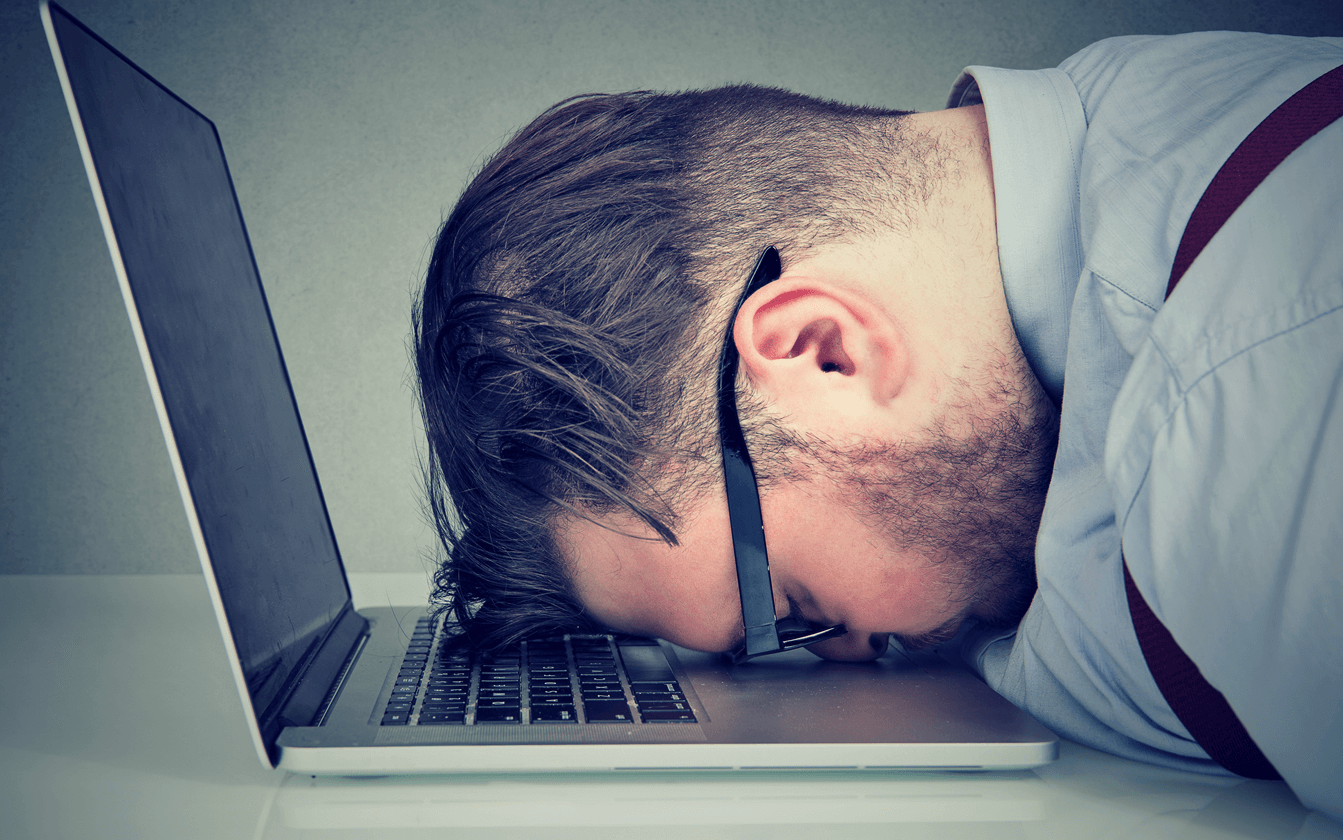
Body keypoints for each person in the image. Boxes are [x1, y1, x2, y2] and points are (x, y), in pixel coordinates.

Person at [414, 32, 1343, 819]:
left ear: (825, 350)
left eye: (791, 617)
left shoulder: (1257, 400)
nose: (852, 663)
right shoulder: (1097, 148)